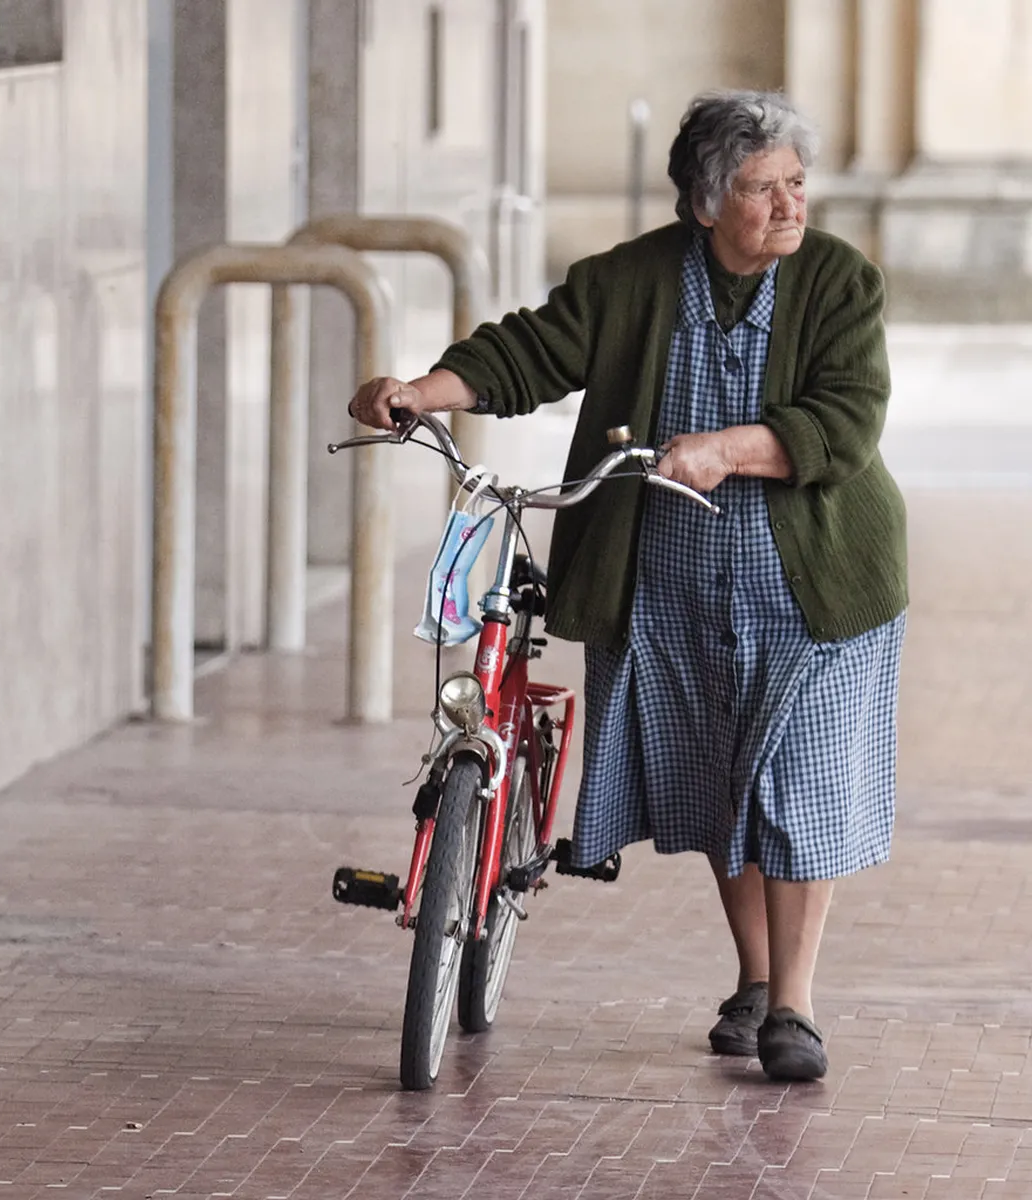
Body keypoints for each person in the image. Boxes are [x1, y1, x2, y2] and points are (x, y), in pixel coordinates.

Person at [348, 90, 907, 1083]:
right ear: (705, 202)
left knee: (793, 789)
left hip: (813, 589)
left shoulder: (840, 284)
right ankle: (753, 979)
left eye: (796, 185)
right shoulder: (629, 282)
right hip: (674, 591)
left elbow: (849, 418)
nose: (790, 206)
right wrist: (416, 392)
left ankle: (795, 1006)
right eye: (762, 188)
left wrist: (731, 449)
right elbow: (526, 352)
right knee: (719, 787)